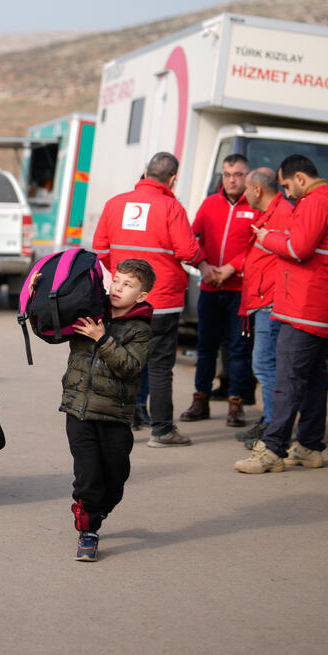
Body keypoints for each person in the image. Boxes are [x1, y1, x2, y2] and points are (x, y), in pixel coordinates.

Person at [235, 155, 328, 474]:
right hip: (321, 303)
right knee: (313, 380)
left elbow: (299, 249)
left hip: (305, 304)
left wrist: (267, 238)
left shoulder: (315, 202)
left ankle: (273, 449)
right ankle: (309, 445)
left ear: (300, 178)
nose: (286, 193)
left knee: (288, 379)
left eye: (286, 185)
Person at [92, 152, 213, 448]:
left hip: (123, 302)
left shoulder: (115, 203)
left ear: (146, 172)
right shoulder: (171, 207)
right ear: (173, 179)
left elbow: (101, 250)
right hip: (162, 301)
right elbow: (187, 250)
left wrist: (122, 281)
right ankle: (162, 431)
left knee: (121, 362)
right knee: (159, 366)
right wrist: (205, 264)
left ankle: (119, 423)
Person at [61, 258, 155, 562]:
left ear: (141, 295)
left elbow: (130, 366)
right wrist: (38, 292)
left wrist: (102, 339)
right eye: (116, 280)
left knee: (114, 479)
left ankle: (97, 510)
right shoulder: (89, 309)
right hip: (79, 409)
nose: (118, 288)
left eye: (128, 285)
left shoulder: (140, 330)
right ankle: (88, 531)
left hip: (115, 415)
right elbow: (50, 326)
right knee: (87, 477)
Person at [184, 154, 258, 428]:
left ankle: (236, 404)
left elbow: (259, 246)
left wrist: (231, 268)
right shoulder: (210, 204)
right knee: (206, 348)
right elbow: (192, 238)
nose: (232, 180)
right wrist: (203, 265)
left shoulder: (256, 207)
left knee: (239, 349)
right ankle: (200, 400)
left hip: (240, 290)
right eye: (227, 174)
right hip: (210, 287)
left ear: (247, 176)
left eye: (238, 174)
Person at [234, 168, 293, 447]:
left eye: (246, 187)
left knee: (264, 364)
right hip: (262, 300)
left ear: (257, 190)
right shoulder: (271, 213)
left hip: (270, 302)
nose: (244, 193)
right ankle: (270, 421)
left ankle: (273, 426)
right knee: (264, 364)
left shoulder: (283, 214)